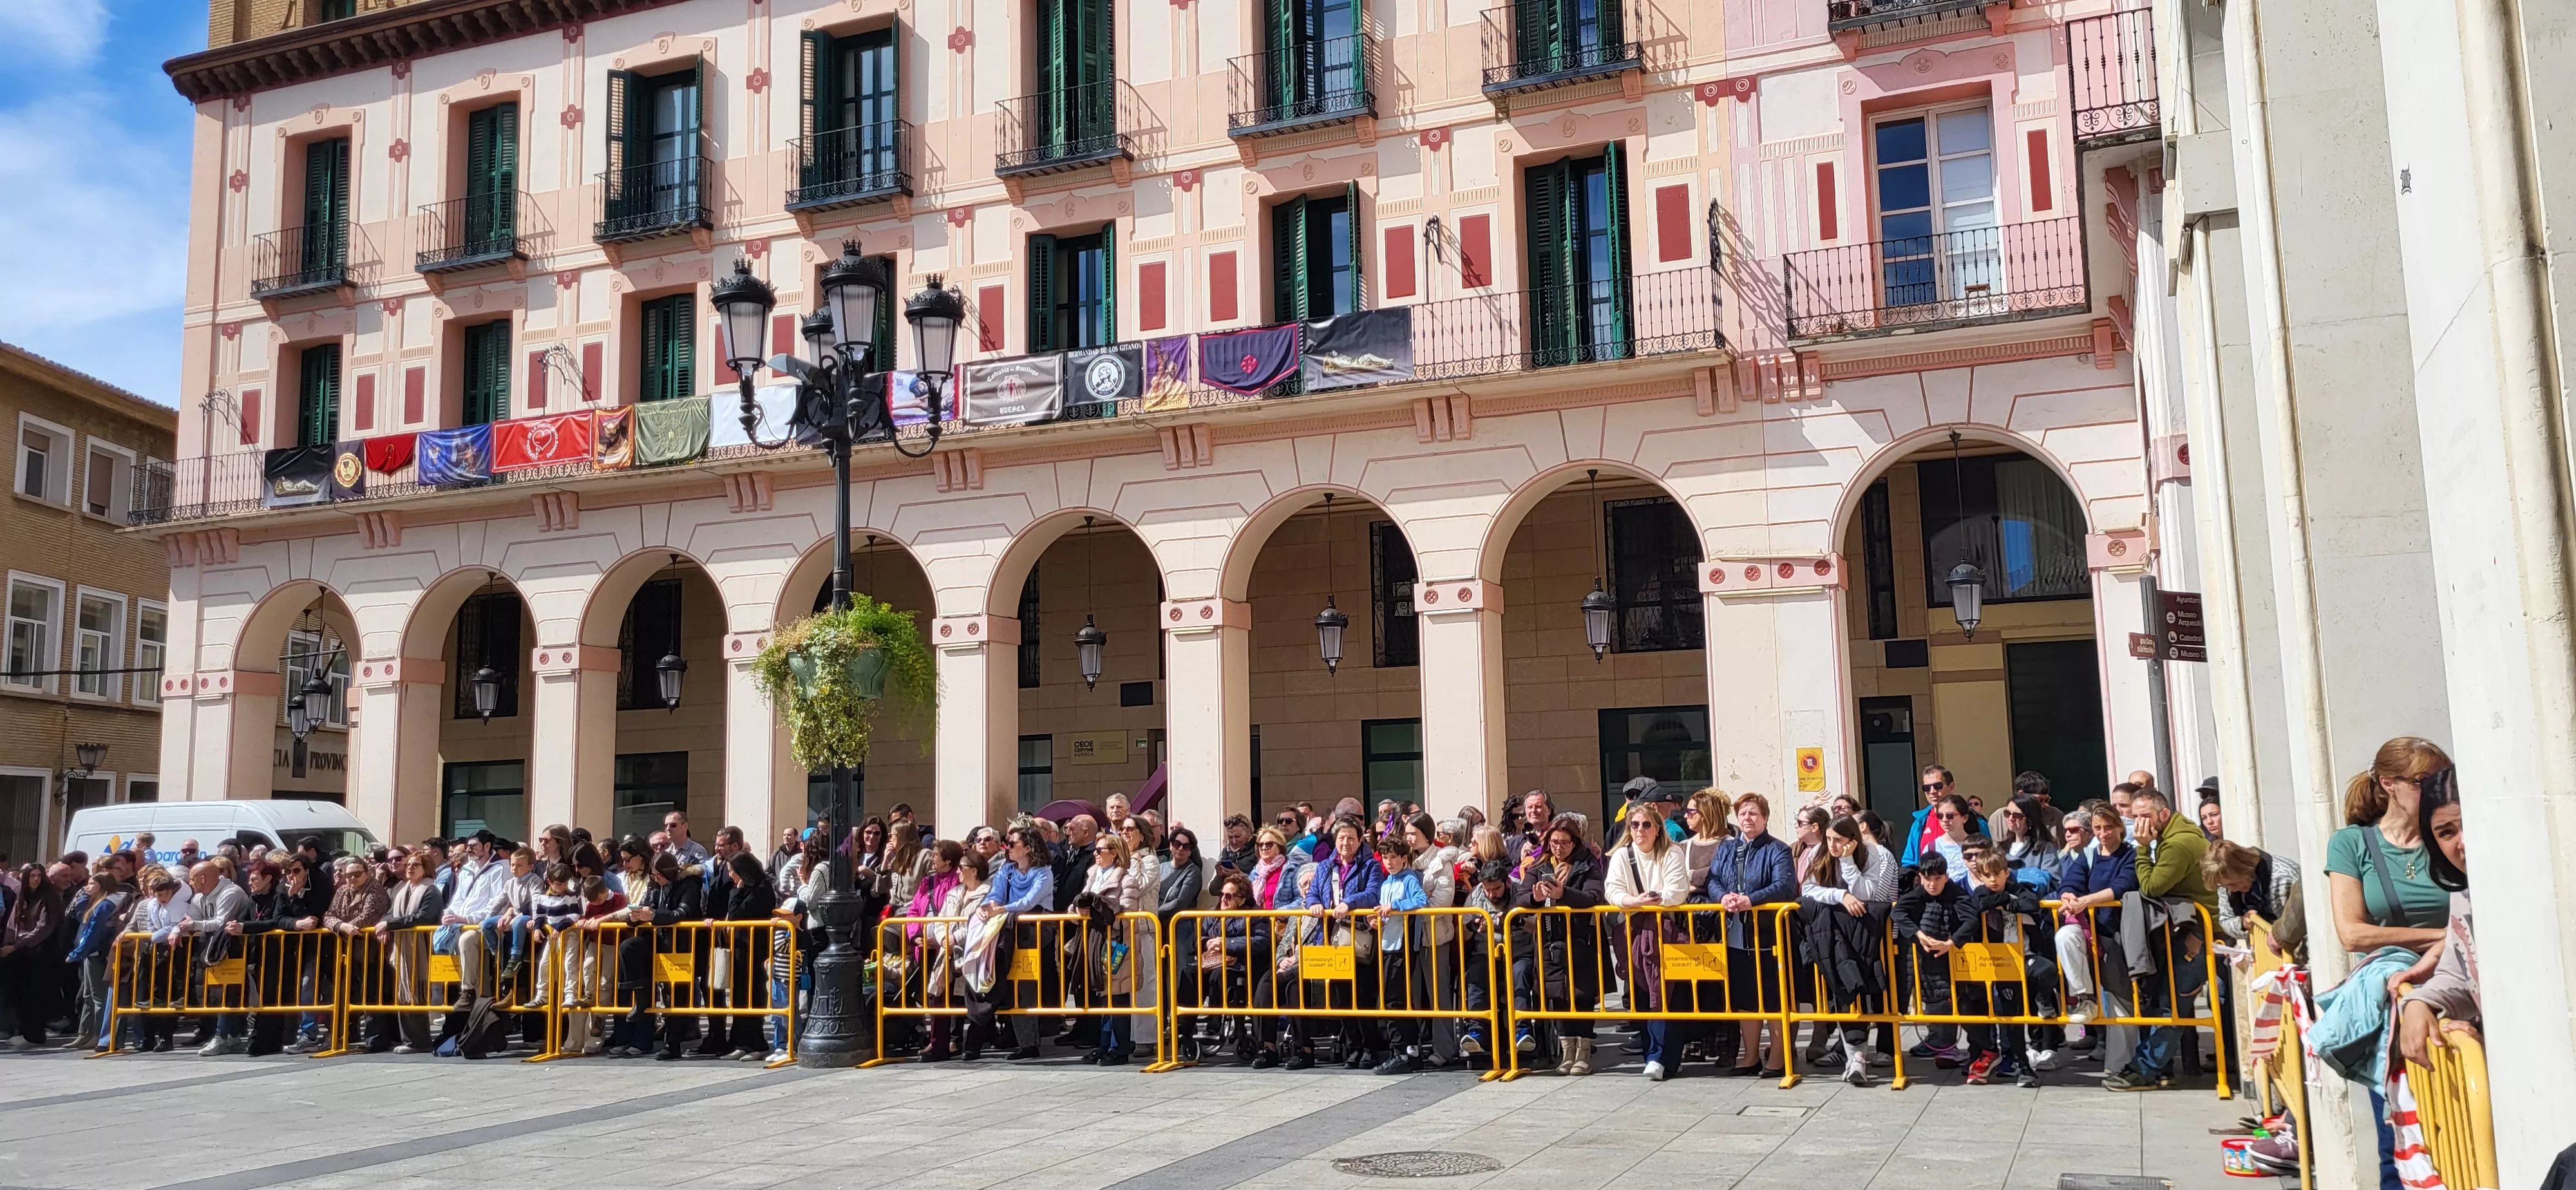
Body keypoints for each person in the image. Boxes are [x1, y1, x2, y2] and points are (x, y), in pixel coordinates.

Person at [2104, 788, 2215, 1091]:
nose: (2138, 823)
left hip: (2196, 934)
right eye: (2135, 816)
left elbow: (2151, 887)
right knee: (2163, 1002)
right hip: (2182, 930)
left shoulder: (2177, 844)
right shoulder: (2174, 835)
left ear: (2164, 814)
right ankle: (2158, 1069)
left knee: (2172, 1006)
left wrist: (2142, 850)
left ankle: (2145, 1070)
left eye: (2145, 816)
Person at [1795, 815, 1897, 1083]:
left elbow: (1868, 894)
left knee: (1866, 994)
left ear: (1853, 841)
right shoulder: (1820, 852)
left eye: (1839, 840)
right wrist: (1840, 896)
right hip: (1831, 938)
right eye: (1829, 839)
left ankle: (1861, 1056)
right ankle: (1855, 1058)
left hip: (1866, 938)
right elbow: (1809, 890)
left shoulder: (1872, 854)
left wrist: (1848, 862)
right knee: (1841, 992)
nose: (1832, 845)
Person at [1705, 793, 1797, 1077]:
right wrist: (1723, 897)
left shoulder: (1778, 849)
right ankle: (1750, 1056)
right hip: (1735, 935)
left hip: (1768, 936)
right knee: (1745, 998)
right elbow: (1713, 880)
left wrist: (1750, 900)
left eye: (1754, 813)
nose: (1748, 818)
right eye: (1743, 813)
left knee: (1773, 998)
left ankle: (1779, 1057)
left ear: (1765, 818)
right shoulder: (1727, 848)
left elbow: (1784, 886)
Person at [2392, 769, 2474, 1072]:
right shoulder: (2462, 893)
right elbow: (2459, 974)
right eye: (2447, 833)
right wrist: (2418, 1003)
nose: (2463, 843)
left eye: (2471, 824)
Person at [1513, 813, 1604, 1075]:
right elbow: (1521, 898)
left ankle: (1583, 1054)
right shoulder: (1540, 865)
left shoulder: (1587, 864)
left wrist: (1564, 894)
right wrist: (1535, 898)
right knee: (1558, 996)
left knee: (1582, 996)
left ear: (1575, 842)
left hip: (1581, 938)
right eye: (1554, 842)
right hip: (1550, 940)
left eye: (1565, 843)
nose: (1559, 848)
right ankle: (1567, 1054)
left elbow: (1594, 896)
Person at [1604, 802, 1689, 1079]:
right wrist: (1634, 902)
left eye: (1646, 825)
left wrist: (1652, 900)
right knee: (1642, 993)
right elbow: (1612, 891)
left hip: (1666, 934)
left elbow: (1677, 891)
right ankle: (1652, 1056)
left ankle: (1663, 1058)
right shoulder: (1621, 855)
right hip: (1632, 934)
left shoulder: (1672, 853)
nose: (1640, 830)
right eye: (1634, 825)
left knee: (1666, 993)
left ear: (1657, 829)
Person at [1952, 852, 2047, 1087]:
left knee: (2046, 973)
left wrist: (2009, 902)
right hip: (1996, 962)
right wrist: (2006, 900)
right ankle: (2005, 1059)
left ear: (2007, 873)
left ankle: (2044, 1004)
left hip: (2024, 958)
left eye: (1998, 874)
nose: (1993, 880)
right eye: (1988, 875)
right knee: (2002, 1015)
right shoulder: (1981, 892)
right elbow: (1979, 904)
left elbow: (2031, 903)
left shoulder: (2018, 888)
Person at [2056, 803, 2137, 1028]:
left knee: (2121, 1000)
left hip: (2118, 932)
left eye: (2109, 827)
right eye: (2098, 828)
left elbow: (2122, 886)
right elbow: (2071, 881)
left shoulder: (2131, 855)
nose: (2103, 833)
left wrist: (2086, 901)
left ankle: (2124, 1051)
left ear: (2120, 827)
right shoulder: (2088, 855)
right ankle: (2085, 998)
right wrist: (2068, 895)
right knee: (2064, 936)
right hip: (2089, 929)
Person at [983, 824, 1055, 1061]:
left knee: (1025, 985)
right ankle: (1019, 1038)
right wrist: (988, 905)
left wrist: (1002, 909)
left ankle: (1030, 1043)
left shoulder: (1044, 873)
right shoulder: (1007, 870)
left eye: (1012, 844)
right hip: (1009, 929)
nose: (1008, 847)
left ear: (1028, 848)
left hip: (1033, 931)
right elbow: (995, 893)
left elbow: (1029, 901)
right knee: (1010, 983)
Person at [1893, 858, 1972, 1067]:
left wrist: (1951, 943)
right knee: (1930, 997)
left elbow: (1971, 920)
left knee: (1947, 998)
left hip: (1949, 955)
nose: (1932, 884)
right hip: (1923, 955)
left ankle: (1948, 1046)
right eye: (1928, 879)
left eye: (1938, 879)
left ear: (1946, 877)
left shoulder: (1956, 894)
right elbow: (1898, 911)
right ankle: (1935, 1041)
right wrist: (1918, 934)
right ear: (1921, 878)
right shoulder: (1919, 893)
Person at [376, 852, 446, 1054]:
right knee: (404, 992)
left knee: (416, 992)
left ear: (426, 869)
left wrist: (391, 925)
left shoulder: (431, 891)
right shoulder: (404, 890)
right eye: (409, 865)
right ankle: (409, 1040)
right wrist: (385, 924)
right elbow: (391, 914)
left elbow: (423, 917)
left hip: (422, 948)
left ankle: (419, 1041)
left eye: (415, 865)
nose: (410, 868)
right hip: (403, 950)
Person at [0, 862, 63, 1047]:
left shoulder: (49, 897)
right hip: (21, 953)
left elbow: (44, 928)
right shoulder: (23, 896)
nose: (36, 879)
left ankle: (34, 1035)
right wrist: (7, 947)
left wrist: (16, 946)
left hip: (40, 953)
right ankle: (25, 1032)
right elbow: (13, 924)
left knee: (36, 995)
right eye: (32, 876)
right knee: (21, 994)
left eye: (39, 876)